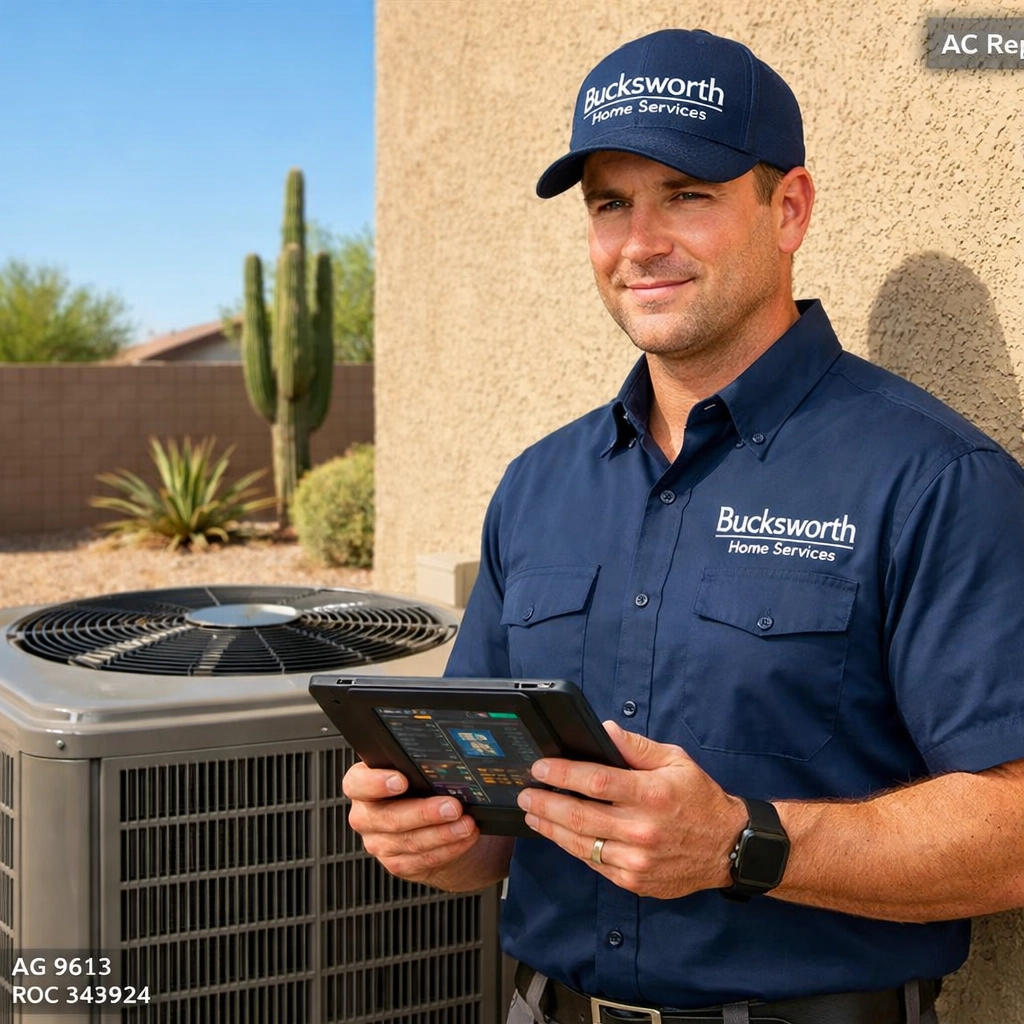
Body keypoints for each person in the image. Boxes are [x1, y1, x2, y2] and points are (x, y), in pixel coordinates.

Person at [343, 27, 1024, 1024]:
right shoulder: (538, 486)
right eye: (610, 204)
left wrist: (741, 842)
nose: (639, 243)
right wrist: (434, 834)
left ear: (786, 208)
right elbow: (493, 831)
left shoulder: (930, 477)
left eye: (688, 195)